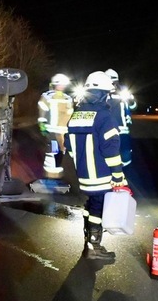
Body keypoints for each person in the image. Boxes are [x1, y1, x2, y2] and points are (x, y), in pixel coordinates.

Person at [65, 71, 129, 261]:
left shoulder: (76, 115)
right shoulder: (104, 117)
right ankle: (94, 246)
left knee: (90, 204)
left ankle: (88, 241)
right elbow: (111, 151)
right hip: (101, 175)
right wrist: (118, 175)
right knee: (98, 209)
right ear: (104, 94)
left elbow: (69, 146)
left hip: (82, 173)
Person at [37, 73, 74, 178]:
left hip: (63, 132)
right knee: (52, 152)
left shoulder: (68, 98)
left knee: (61, 153)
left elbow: (70, 114)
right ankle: (51, 175)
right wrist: (43, 126)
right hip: (51, 131)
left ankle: (56, 175)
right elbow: (42, 112)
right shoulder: (47, 97)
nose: (61, 87)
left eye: (63, 85)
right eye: (60, 84)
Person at [104, 69, 132, 170]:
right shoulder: (102, 95)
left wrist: (131, 99)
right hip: (107, 129)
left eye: (114, 82)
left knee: (125, 154)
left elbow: (132, 106)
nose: (113, 85)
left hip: (123, 130)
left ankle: (123, 173)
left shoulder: (123, 93)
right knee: (109, 154)